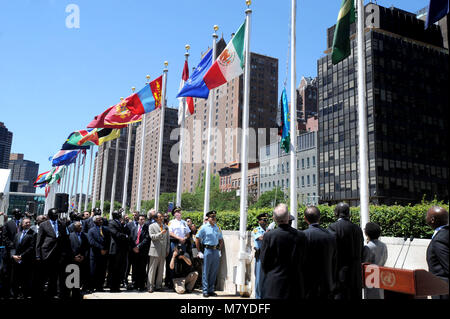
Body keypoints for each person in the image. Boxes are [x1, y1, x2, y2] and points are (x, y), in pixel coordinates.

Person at [260, 203, 307, 299]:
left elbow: (264, 262)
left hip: (274, 286)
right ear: (288, 217)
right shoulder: (301, 236)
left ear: (274, 218)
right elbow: (304, 260)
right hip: (295, 286)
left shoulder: (269, 236)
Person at [328, 202, 364, 300]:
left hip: (340, 274)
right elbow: (361, 250)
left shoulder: (333, 228)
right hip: (356, 274)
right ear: (349, 213)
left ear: (336, 213)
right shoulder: (358, 229)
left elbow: (332, 252)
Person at [35, 208, 71, 299]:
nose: (56, 216)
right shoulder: (43, 225)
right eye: (54, 214)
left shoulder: (62, 224)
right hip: (46, 253)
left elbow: (65, 239)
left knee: (55, 276)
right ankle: (40, 293)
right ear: (49, 215)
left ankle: (53, 293)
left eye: (57, 214)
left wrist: (64, 253)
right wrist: (38, 255)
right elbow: (39, 241)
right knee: (43, 276)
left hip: (58, 255)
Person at [303, 206, 337, 299]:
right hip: (327, 282)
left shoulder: (303, 236)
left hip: (308, 284)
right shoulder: (331, 236)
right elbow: (334, 259)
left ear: (305, 219)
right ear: (320, 217)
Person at [195, 210, 223, 298]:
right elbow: (197, 238)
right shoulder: (203, 227)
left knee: (214, 271)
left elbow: (221, 239)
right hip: (207, 250)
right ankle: (205, 290)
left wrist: (219, 249)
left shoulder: (217, 227)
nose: (214, 219)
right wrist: (199, 251)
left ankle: (211, 290)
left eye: (215, 217)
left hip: (215, 250)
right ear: (208, 218)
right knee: (206, 271)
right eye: (212, 217)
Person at [425, 206, 449, 299]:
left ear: (432, 219)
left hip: (442, 291)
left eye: (427, 215)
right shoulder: (445, 234)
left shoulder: (439, 239)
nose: (425, 217)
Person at [10, 218, 35, 299]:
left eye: (29, 222)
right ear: (22, 224)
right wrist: (13, 255)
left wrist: (21, 256)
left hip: (26, 260)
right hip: (16, 260)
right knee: (15, 279)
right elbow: (13, 246)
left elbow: (31, 247)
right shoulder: (18, 234)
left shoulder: (34, 234)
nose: (28, 224)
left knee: (25, 280)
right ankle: (14, 294)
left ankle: (24, 295)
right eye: (26, 222)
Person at [362, 222, 387, 299]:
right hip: (381, 276)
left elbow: (364, 263)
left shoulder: (368, 247)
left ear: (366, 233)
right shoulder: (383, 245)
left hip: (370, 278)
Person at [167, 207, 190, 288]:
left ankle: (181, 281)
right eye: (177, 212)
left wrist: (185, 238)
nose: (179, 213)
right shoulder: (171, 222)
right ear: (174, 214)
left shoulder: (184, 222)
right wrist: (178, 237)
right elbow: (170, 232)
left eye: (179, 211)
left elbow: (188, 233)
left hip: (182, 243)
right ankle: (170, 281)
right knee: (172, 260)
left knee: (182, 260)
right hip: (174, 243)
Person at [107, 210, 130, 292]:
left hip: (122, 249)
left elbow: (127, 231)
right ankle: (113, 287)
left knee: (120, 269)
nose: (120, 215)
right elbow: (116, 234)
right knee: (114, 269)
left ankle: (117, 286)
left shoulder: (121, 223)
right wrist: (125, 236)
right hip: (115, 249)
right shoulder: (111, 223)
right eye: (119, 214)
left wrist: (124, 225)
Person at [147, 212, 170, 293]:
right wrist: (161, 233)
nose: (162, 218)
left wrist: (167, 250)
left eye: (162, 216)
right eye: (160, 217)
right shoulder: (151, 226)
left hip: (163, 251)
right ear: (156, 218)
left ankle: (158, 286)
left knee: (161, 270)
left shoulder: (166, 227)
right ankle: (150, 286)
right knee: (152, 270)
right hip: (154, 250)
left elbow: (168, 240)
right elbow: (152, 237)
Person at [87, 215, 110, 292]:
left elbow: (108, 240)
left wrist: (105, 249)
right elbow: (91, 242)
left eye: (101, 219)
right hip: (95, 254)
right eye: (98, 220)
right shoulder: (91, 230)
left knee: (102, 271)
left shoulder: (106, 230)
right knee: (93, 271)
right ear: (94, 221)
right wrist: (101, 248)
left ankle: (99, 287)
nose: (100, 221)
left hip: (104, 254)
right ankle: (91, 287)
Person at [129, 214, 150, 291]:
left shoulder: (147, 228)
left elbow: (147, 239)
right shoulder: (134, 228)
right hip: (134, 251)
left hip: (142, 251)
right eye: (140, 219)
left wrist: (138, 247)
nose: (142, 220)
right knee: (134, 268)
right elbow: (131, 239)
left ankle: (141, 285)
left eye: (143, 219)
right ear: (138, 220)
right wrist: (134, 247)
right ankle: (134, 283)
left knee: (142, 268)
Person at [69, 221, 90, 296]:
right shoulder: (70, 236)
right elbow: (68, 248)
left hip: (82, 260)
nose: (81, 227)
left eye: (81, 225)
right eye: (78, 226)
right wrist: (73, 257)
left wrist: (83, 256)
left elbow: (87, 247)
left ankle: (77, 293)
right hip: (72, 260)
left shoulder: (85, 236)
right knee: (71, 279)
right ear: (74, 227)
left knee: (80, 278)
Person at [252, 212, 269, 299]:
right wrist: (268, 232)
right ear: (259, 221)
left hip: (267, 255)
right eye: (263, 220)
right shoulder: (256, 230)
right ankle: (258, 297)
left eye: (266, 220)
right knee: (259, 278)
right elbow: (261, 238)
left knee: (267, 278)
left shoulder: (268, 231)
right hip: (260, 255)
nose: (265, 221)